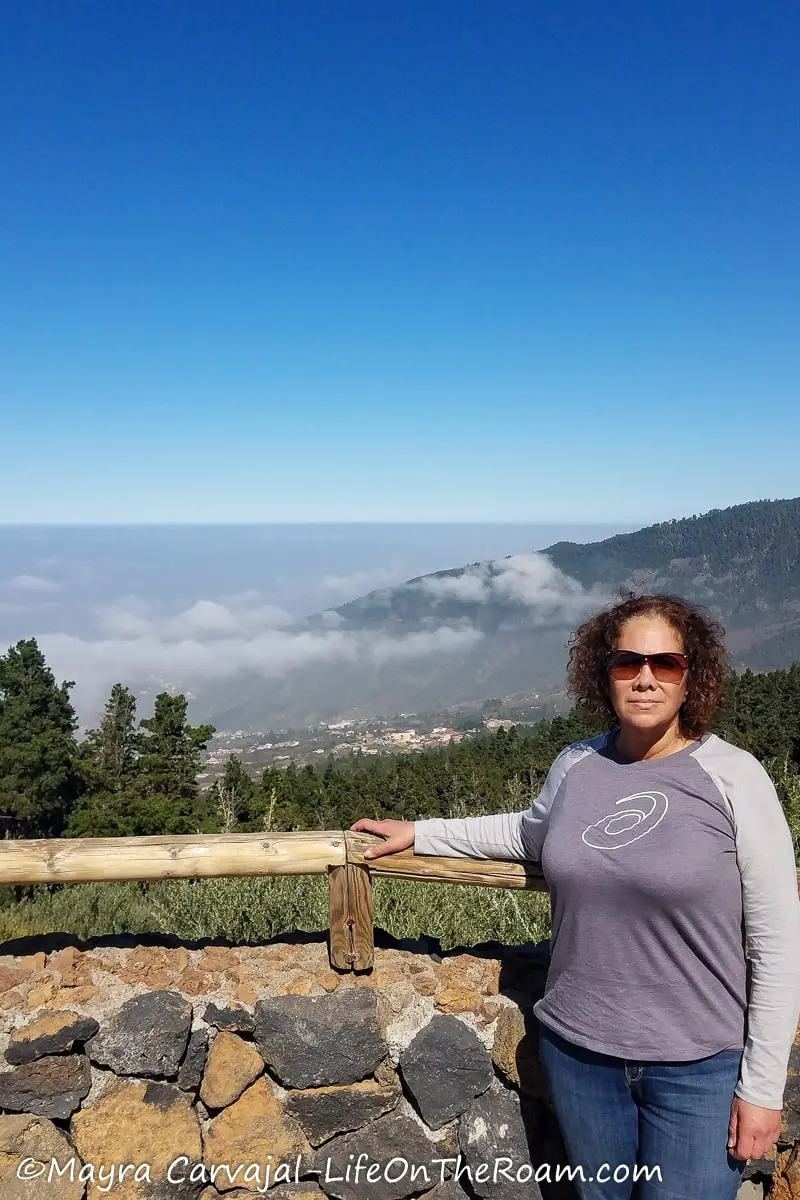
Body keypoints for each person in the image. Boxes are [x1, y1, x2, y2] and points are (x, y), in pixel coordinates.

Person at [350, 594, 800, 1200]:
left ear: (692, 676)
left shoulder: (734, 777)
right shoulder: (577, 764)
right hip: (580, 1053)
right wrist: (420, 834)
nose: (645, 678)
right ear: (604, 673)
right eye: (627, 663)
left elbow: (776, 940)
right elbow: (526, 834)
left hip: (699, 1066)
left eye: (665, 663)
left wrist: (763, 1087)